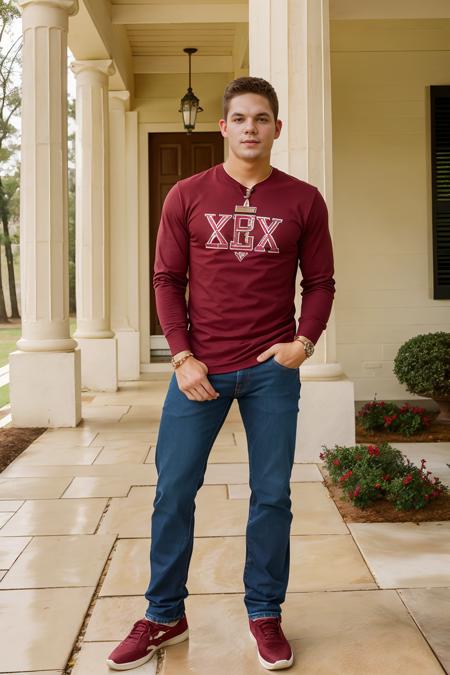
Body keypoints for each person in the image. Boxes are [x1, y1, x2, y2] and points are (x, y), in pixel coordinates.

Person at [107, 76, 336, 671]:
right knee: (173, 490)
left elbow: (321, 283)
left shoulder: (303, 200)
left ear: (276, 128)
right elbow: (166, 281)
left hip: (270, 372)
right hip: (199, 370)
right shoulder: (186, 195)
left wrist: (303, 344)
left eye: (262, 118)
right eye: (240, 118)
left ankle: (264, 613)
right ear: (224, 127)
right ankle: (164, 615)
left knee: (272, 497)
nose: (251, 128)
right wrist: (181, 357)